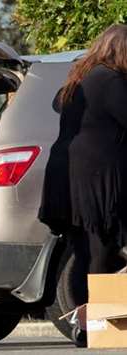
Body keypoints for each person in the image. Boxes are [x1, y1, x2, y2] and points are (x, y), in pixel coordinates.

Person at [39, 24, 127, 345]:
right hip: (95, 179)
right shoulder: (110, 80)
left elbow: (56, 104)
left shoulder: (80, 80)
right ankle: (95, 325)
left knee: (85, 250)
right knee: (101, 250)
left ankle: (86, 325)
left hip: (67, 178)